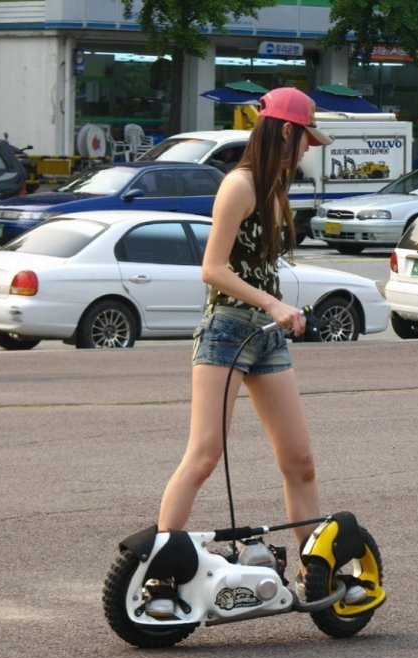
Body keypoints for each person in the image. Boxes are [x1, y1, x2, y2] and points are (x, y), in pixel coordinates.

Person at [143, 88, 366, 618]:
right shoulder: (239, 184)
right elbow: (212, 269)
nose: (308, 149)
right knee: (204, 455)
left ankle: (317, 573)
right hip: (226, 328)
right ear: (287, 132)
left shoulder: (274, 189)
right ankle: (160, 580)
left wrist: (280, 306)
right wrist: (272, 302)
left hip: (266, 335)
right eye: (306, 139)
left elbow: (261, 268)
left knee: (300, 462)